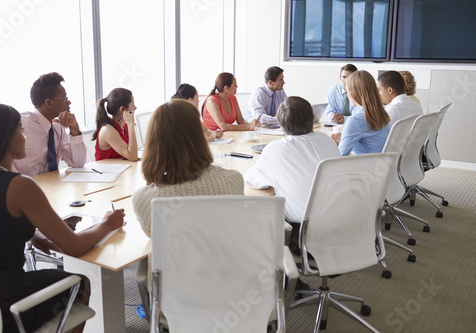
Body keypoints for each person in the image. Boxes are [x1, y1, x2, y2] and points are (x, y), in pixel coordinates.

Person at [0, 103, 124, 333]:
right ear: (4, 137)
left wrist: (33, 234)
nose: (24, 136)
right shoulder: (19, 185)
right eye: (20, 129)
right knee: (80, 282)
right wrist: (107, 223)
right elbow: (74, 247)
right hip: (9, 310)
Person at [132, 100, 244, 295]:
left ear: (153, 143)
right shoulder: (233, 181)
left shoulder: (144, 199)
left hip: (173, 299)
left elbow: (156, 235)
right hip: (229, 289)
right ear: (199, 136)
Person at [244, 96, 340, 251]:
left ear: (282, 125)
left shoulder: (276, 149)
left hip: (305, 223)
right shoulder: (327, 140)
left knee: (264, 203)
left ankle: (272, 261)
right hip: (338, 215)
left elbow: (253, 180)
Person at [12, 72, 87, 176]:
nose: (69, 102)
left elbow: (77, 163)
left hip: (52, 186)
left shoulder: (58, 126)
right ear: (49, 103)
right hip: (24, 187)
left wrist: (74, 128)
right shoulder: (22, 124)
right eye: (64, 98)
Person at [331, 70, 391, 156]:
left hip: (365, 167)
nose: (347, 95)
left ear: (355, 93)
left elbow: (340, 155)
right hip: (380, 164)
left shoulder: (355, 120)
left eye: (348, 91)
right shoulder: (381, 113)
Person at [91, 88, 138, 161]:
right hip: (106, 171)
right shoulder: (107, 130)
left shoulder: (124, 126)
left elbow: (133, 152)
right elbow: (133, 156)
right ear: (122, 109)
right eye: (133, 104)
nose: (135, 108)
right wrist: (131, 125)